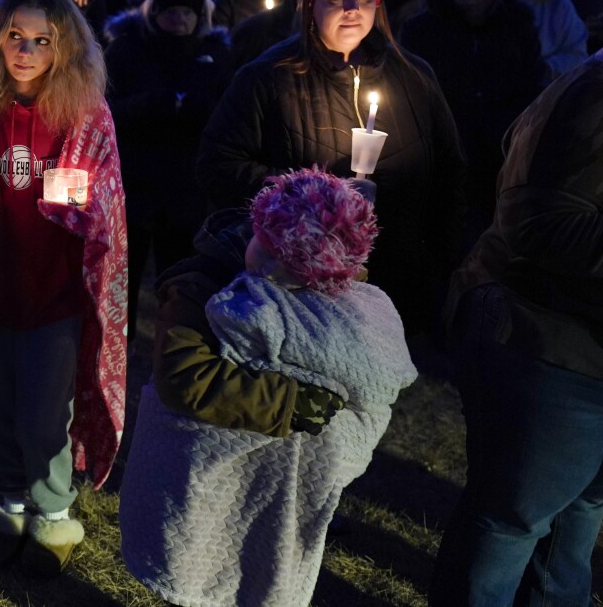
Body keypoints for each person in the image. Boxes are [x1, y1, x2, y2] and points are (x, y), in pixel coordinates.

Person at [121, 168, 416, 607]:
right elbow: (184, 376)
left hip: (265, 489)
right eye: (267, 251)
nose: (266, 271)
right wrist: (287, 401)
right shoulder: (198, 285)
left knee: (242, 565)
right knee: (192, 559)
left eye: (290, 273)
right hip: (195, 469)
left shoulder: (328, 293)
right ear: (257, 227)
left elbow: (362, 365)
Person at [197, 0, 466, 340]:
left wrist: (444, 256)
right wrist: (314, 197)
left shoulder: (414, 77)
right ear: (310, 4)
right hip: (301, 282)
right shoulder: (268, 78)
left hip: (401, 273)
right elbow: (217, 164)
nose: (353, 6)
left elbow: (449, 170)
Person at [0, 0, 129, 577]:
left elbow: (106, 194)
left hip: (54, 290)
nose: (27, 51)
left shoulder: (83, 113)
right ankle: (9, 500)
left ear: (65, 50)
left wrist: (86, 207)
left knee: (42, 410)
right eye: (15, 36)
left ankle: (54, 510)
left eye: (42, 40)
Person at [429, 51, 603, 606]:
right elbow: (540, 222)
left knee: (576, 521)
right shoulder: (590, 98)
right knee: (510, 522)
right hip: (551, 341)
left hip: (587, 348)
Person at [104, 0, 231, 327]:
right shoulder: (127, 50)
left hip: (184, 186)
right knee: (122, 274)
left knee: (178, 277)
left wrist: (199, 108)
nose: (181, 19)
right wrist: (149, 104)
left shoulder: (214, 54)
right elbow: (106, 110)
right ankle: (117, 341)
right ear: (154, 12)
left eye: (188, 12)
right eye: (172, 11)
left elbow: (226, 112)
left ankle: (174, 343)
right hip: (133, 183)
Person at [399, 0, 544, 244]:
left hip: (498, 149)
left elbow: (530, 87)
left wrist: (506, 129)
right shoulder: (426, 28)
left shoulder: (518, 29)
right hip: (442, 147)